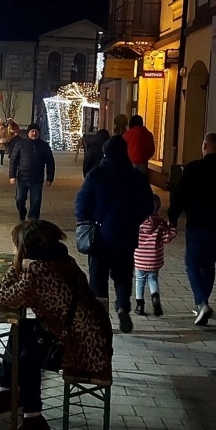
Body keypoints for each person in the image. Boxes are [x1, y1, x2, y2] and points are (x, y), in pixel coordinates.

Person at [0, 220, 112, 430]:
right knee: (22, 330)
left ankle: (31, 416)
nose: (14, 249)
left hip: (82, 349)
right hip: (89, 335)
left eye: (16, 245)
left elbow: (5, 296)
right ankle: (6, 392)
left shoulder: (37, 270)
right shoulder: (62, 260)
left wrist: (17, 265)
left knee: (28, 357)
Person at [75, 136, 154, 333]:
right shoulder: (137, 177)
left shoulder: (96, 175)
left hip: (100, 236)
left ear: (105, 152)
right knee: (123, 276)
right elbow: (147, 205)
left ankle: (100, 319)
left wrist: (86, 222)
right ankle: (122, 308)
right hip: (126, 236)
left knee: (98, 278)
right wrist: (133, 221)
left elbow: (81, 205)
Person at [167, 133, 216, 326]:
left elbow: (180, 194)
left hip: (196, 222)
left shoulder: (193, 168)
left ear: (204, 146)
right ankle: (204, 301)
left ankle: (201, 302)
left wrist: (173, 217)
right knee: (209, 263)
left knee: (192, 262)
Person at [134, 196, 176, 317]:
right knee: (153, 279)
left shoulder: (138, 222)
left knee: (139, 280)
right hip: (154, 258)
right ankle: (155, 299)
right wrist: (172, 228)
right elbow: (167, 238)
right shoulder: (160, 223)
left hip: (140, 258)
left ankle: (140, 305)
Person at [7, 123, 55, 221]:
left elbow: (50, 163)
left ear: (39, 133)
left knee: (36, 201)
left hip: (37, 179)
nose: (34, 134)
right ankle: (22, 212)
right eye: (32, 131)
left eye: (36, 132)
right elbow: (13, 160)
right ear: (28, 133)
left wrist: (50, 178)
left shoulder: (44, 146)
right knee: (20, 198)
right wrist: (12, 176)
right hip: (22, 178)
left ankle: (33, 220)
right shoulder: (20, 144)